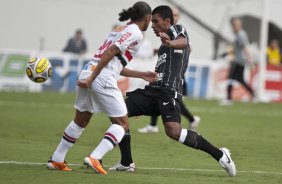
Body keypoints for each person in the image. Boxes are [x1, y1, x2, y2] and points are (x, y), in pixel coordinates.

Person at [109, 5, 236, 177]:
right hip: (153, 90)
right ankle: (126, 162)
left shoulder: (177, 30)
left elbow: (183, 42)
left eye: (156, 21)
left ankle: (221, 155)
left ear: (167, 21)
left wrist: (170, 42)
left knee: (173, 132)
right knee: (119, 113)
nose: (152, 25)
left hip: (169, 91)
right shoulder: (163, 46)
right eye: (151, 21)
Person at [47, 1, 153, 175]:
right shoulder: (135, 33)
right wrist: (92, 79)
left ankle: (57, 159)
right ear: (147, 17)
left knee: (81, 120)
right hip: (99, 77)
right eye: (150, 19)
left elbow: (114, 63)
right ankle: (95, 157)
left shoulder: (121, 29)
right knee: (122, 124)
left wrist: (140, 74)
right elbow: (110, 52)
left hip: (90, 71)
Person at [137, 7, 200, 133]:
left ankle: (191, 120)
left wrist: (172, 44)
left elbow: (184, 44)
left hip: (174, 77)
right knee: (158, 95)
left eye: (176, 15)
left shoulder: (180, 30)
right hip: (165, 78)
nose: (174, 17)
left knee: (172, 105)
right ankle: (154, 125)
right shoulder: (165, 36)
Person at [220, 17, 255, 105]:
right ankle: (253, 94)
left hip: (238, 61)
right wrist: (226, 53)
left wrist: (250, 59)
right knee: (241, 80)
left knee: (230, 78)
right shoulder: (239, 34)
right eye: (233, 25)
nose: (233, 27)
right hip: (240, 60)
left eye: (235, 25)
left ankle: (228, 99)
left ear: (240, 25)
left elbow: (244, 47)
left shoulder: (240, 34)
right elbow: (237, 48)